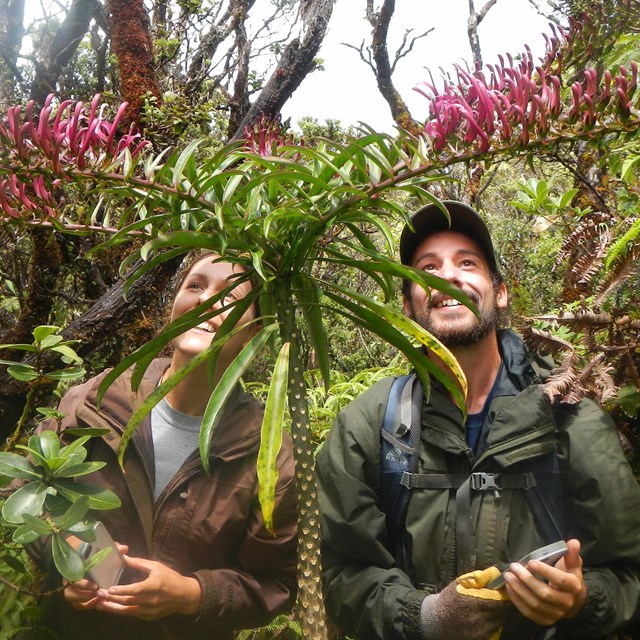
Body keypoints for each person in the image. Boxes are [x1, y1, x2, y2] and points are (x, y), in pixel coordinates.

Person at [316, 201, 640, 640]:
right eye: (426, 267)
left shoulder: (569, 414)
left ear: (499, 291)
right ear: (408, 307)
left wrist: (582, 599)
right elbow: (342, 573)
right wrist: (425, 616)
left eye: (467, 263)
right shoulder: (368, 425)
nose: (447, 276)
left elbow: (627, 572)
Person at [28, 253, 298, 640]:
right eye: (195, 286)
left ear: (257, 332)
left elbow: (276, 583)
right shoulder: (95, 400)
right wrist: (69, 553)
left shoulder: (270, 458)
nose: (206, 301)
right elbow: (27, 491)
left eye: (232, 295)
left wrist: (192, 595)